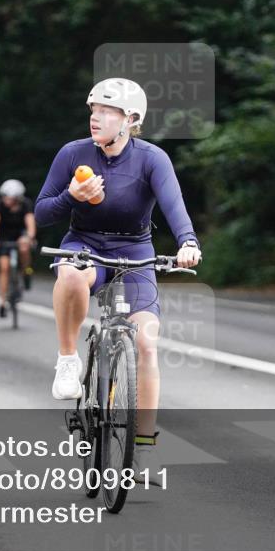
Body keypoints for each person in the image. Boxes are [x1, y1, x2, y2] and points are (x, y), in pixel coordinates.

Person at [34, 77, 202, 483]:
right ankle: (68, 360)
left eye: (106, 112)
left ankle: (141, 452)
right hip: (85, 246)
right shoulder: (72, 153)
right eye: (93, 110)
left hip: (135, 252)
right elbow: (41, 213)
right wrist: (72, 197)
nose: (96, 118)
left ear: (130, 119)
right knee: (71, 278)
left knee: (145, 343)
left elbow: (174, 206)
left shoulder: (152, 159)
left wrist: (188, 242)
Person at [0, 178, 37, 318]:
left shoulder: (25, 204)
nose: (6, 200)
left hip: (20, 235)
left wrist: (30, 237)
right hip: (3, 237)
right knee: (3, 267)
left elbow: (30, 224)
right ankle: (2, 302)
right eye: (4, 197)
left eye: (10, 198)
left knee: (24, 247)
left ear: (17, 198)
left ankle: (27, 271)